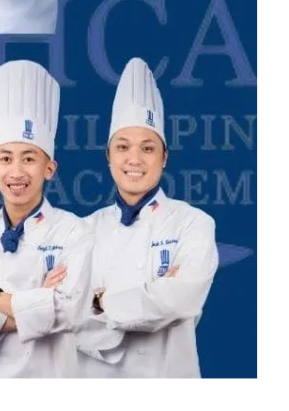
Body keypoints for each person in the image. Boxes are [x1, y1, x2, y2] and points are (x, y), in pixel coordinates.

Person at [79, 58, 219, 379]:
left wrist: (99, 301)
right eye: (123, 147)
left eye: (148, 148)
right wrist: (150, 295)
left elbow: (181, 302)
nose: (134, 159)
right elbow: (66, 319)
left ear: (164, 156)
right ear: (109, 156)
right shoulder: (82, 231)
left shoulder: (194, 223)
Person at [0, 59, 92, 379]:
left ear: (49, 168)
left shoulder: (75, 231)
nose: (16, 172)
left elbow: (72, 313)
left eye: (29, 158)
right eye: (5, 158)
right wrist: (39, 301)